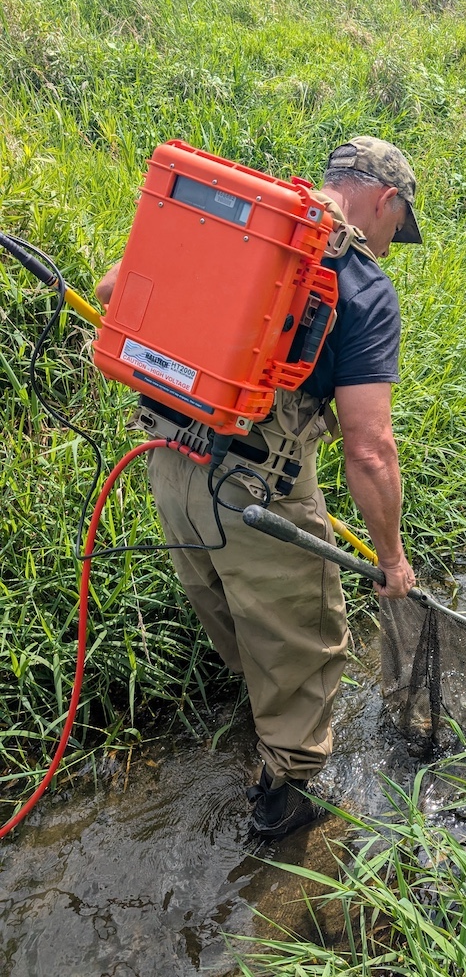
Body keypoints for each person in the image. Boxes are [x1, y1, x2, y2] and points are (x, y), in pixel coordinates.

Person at [96, 136, 421, 841]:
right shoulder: (361, 284)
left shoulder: (245, 221)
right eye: (400, 224)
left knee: (236, 614)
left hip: (167, 461)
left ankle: (263, 715)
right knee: (312, 640)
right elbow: (369, 449)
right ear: (384, 197)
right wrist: (393, 559)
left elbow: (109, 293)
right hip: (257, 492)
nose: (394, 241)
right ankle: (284, 810)